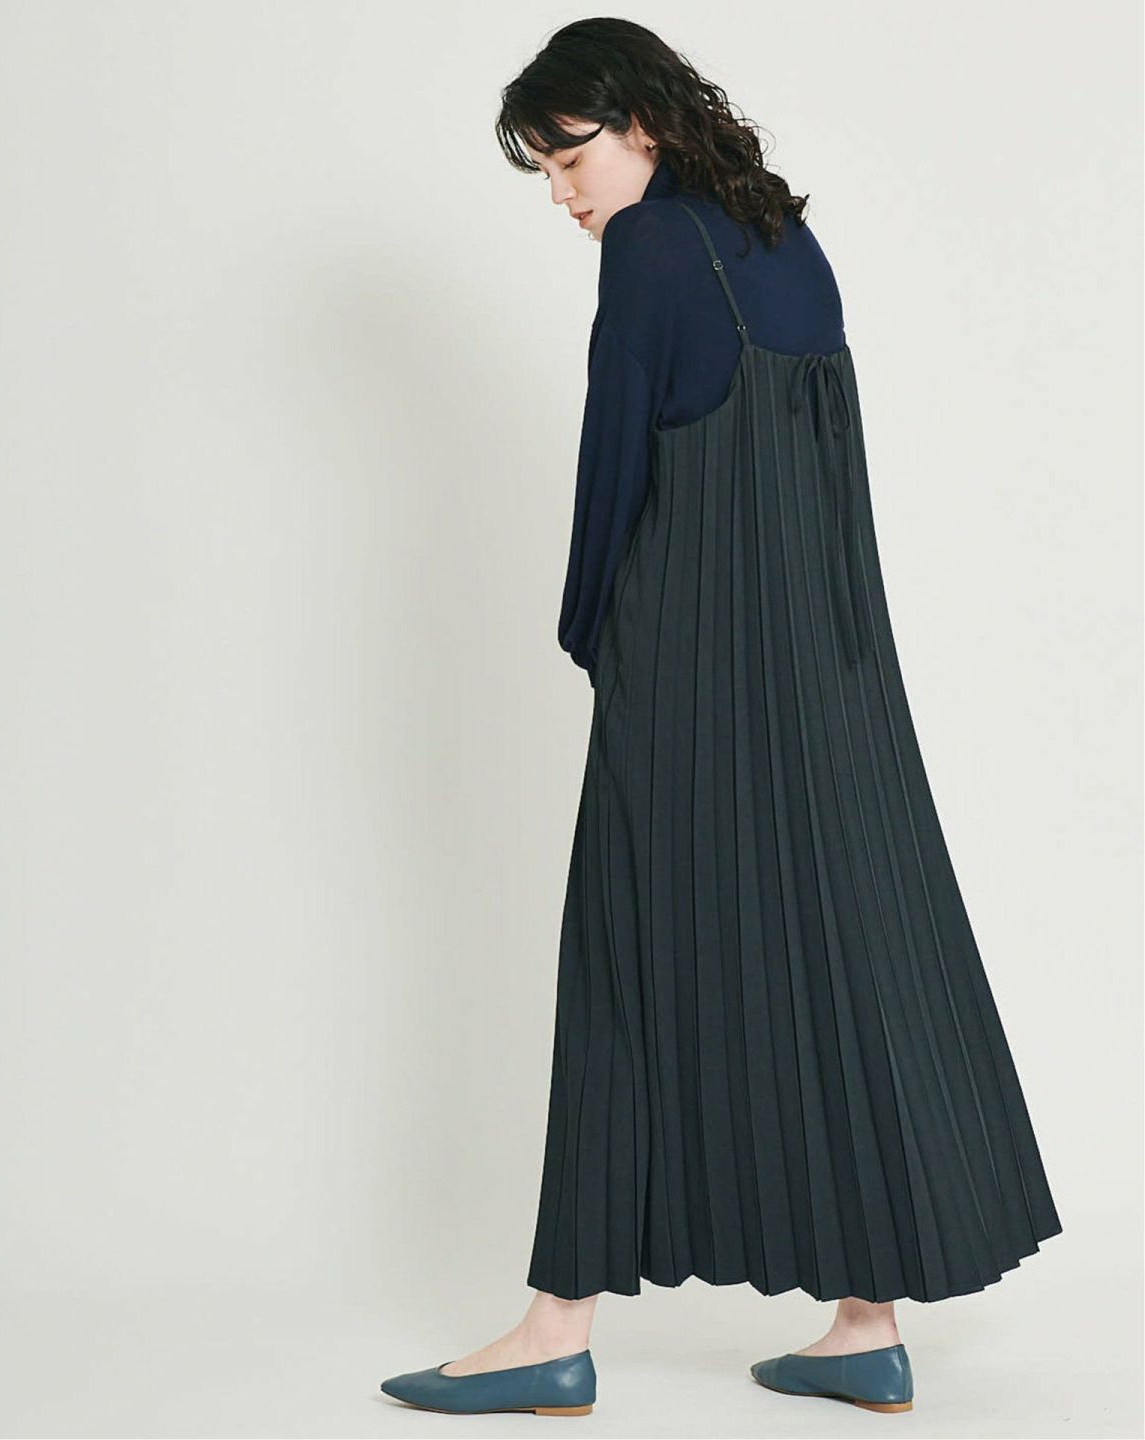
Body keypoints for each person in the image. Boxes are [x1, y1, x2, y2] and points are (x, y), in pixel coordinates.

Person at [380, 17, 1062, 1420]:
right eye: (541, 171)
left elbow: (615, 463)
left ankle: (554, 1333)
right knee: (842, 953)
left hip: (691, 663)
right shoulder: (780, 237)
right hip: (829, 668)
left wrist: (595, 637)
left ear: (637, 119)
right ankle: (865, 1325)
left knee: (622, 958)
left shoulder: (650, 249)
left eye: (568, 156)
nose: (561, 192)